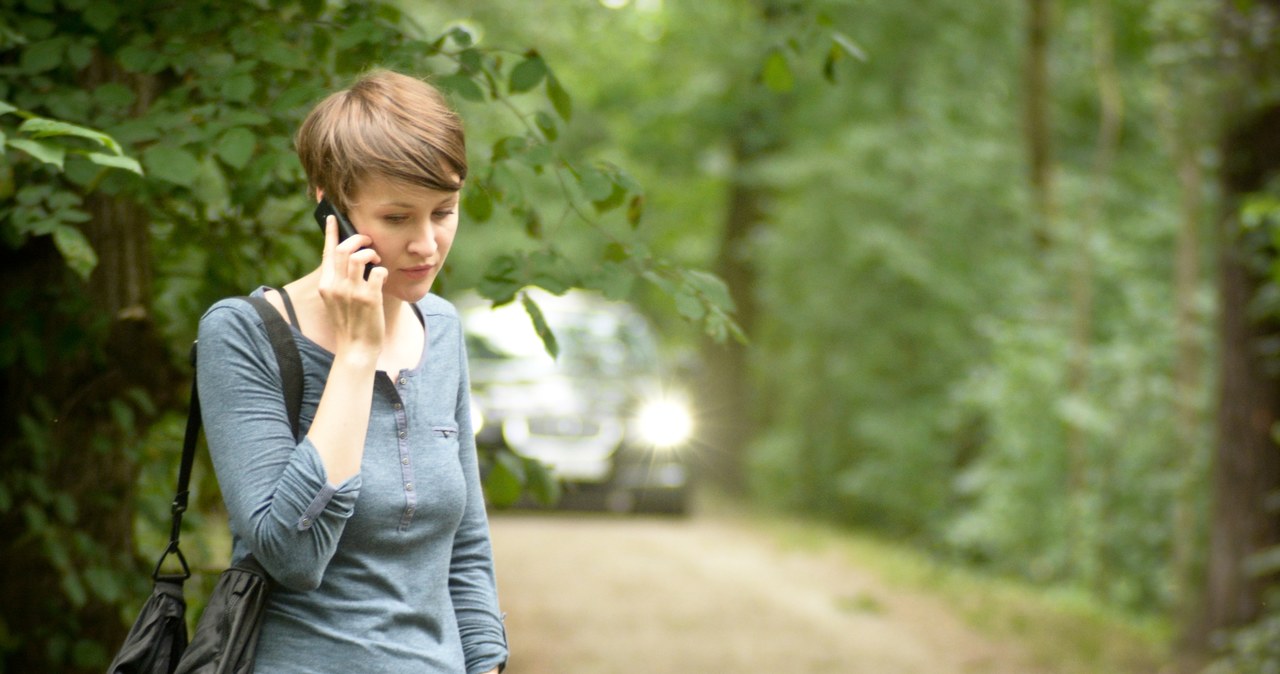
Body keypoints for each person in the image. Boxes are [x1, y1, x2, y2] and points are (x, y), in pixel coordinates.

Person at [196, 69, 507, 674]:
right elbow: (293, 555)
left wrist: (488, 664)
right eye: (397, 218)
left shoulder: (440, 328)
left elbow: (465, 547)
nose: (427, 244)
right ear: (328, 204)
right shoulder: (243, 333)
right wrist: (357, 355)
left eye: (444, 212)